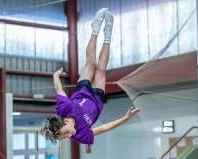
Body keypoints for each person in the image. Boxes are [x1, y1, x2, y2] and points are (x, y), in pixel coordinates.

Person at [40, 8, 140, 144]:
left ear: (64, 121)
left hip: (82, 91)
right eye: (64, 137)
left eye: (65, 133)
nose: (69, 136)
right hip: (97, 100)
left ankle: (95, 28)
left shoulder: (63, 108)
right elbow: (104, 128)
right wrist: (125, 118)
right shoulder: (80, 135)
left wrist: (55, 75)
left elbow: (59, 89)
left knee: (91, 63)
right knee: (101, 69)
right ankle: (108, 32)